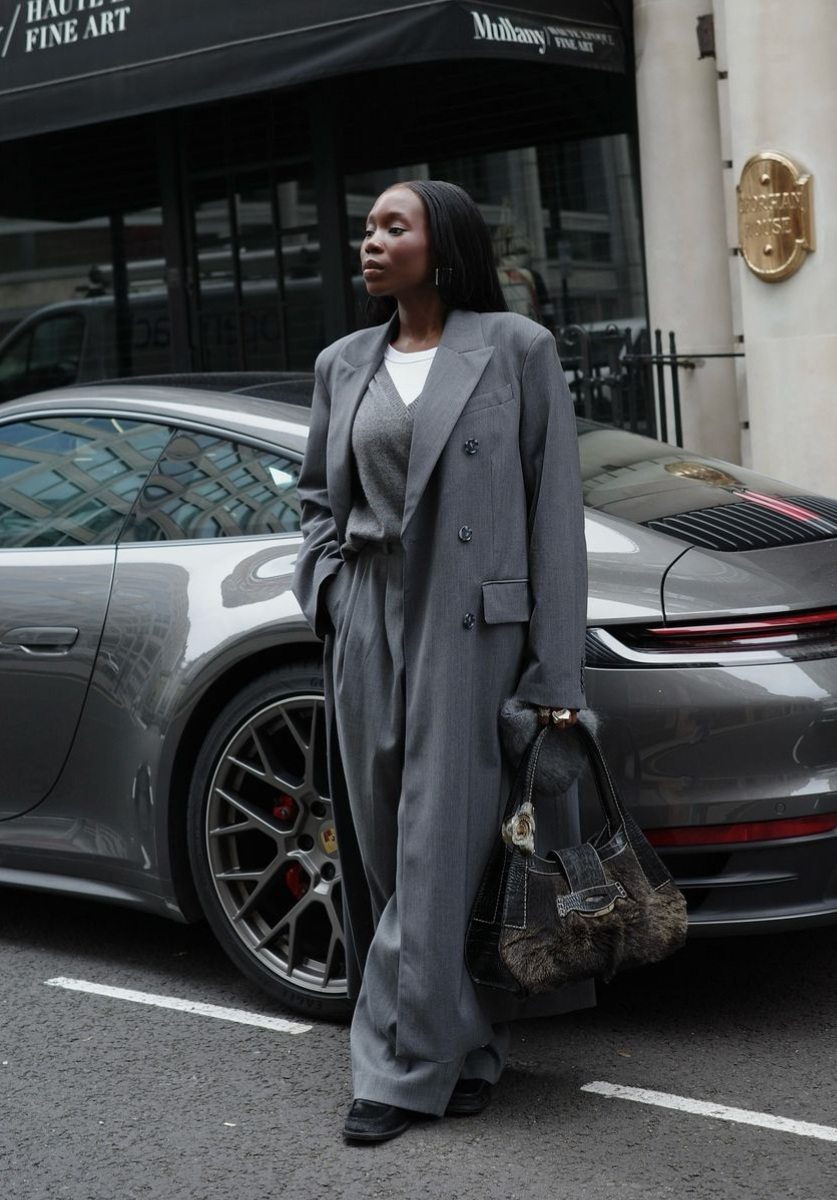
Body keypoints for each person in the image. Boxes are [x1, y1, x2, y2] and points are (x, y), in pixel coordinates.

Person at [292, 180, 593, 1144]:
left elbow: (555, 516)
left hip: (473, 625)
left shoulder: (516, 350)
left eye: (393, 227)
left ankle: (398, 1071)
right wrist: (332, 592)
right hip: (371, 619)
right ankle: (467, 1047)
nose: (370, 242)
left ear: (443, 243)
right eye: (368, 227)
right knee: (383, 849)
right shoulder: (343, 363)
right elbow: (313, 505)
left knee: (437, 851)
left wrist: (555, 674)